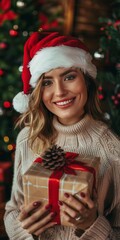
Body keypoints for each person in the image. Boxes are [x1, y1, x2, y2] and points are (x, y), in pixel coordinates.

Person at [4, 30, 120, 240]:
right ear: (38, 90)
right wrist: (24, 230)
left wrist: (91, 225)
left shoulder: (113, 151)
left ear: (86, 80)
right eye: (47, 82)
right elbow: (12, 210)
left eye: (69, 77)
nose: (59, 92)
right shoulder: (27, 139)